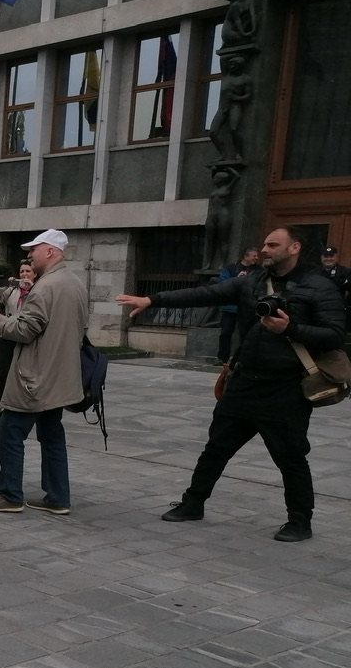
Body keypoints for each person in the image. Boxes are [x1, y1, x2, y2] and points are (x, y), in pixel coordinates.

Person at [116, 226, 345, 543]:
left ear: (294, 248)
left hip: (286, 389)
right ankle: (193, 503)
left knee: (291, 457)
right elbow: (205, 294)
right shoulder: (251, 281)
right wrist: (153, 298)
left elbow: (335, 336)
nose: (264, 249)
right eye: (264, 243)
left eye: (273, 244)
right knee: (215, 449)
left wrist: (291, 329)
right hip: (243, 382)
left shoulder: (320, 287)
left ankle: (300, 521)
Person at [0, 229, 87, 517]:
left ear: (50, 251)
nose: (29, 255)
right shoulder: (74, 282)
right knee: (52, 436)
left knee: (9, 431)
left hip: (35, 378)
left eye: (34, 249)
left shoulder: (45, 287)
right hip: (61, 378)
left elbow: (25, 330)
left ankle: (10, 495)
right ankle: (58, 497)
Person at [0, 260, 36, 421]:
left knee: (27, 372)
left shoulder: (38, 292)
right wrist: (9, 284)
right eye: (22, 272)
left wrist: (31, 289)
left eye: (28, 271)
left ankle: (26, 405)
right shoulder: (12, 291)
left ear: (35, 274)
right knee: (4, 372)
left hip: (27, 336)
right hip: (8, 334)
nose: (24, 274)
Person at [216, 247, 259, 364]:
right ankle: (222, 358)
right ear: (246, 257)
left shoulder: (258, 270)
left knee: (246, 334)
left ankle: (244, 359)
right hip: (230, 307)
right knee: (225, 332)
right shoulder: (230, 268)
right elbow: (222, 284)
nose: (257, 258)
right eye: (254, 255)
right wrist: (237, 279)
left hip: (247, 308)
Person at [319, 245, 351, 330]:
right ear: (321, 257)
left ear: (336, 257)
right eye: (326, 256)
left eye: (331, 256)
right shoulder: (313, 273)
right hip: (318, 311)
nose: (329, 259)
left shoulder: (345, 272)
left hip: (337, 313)